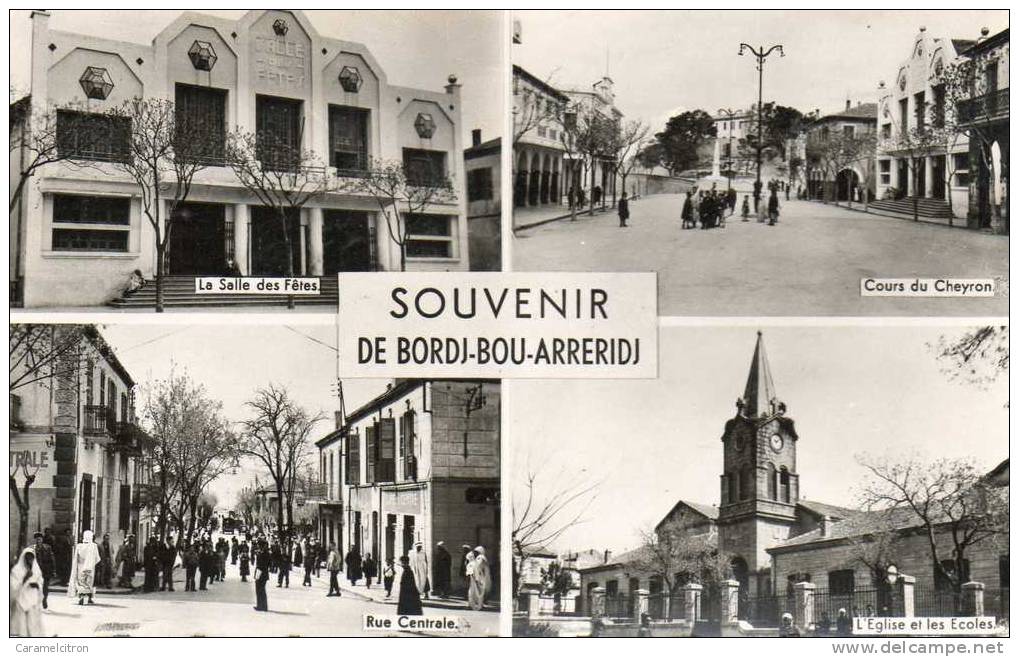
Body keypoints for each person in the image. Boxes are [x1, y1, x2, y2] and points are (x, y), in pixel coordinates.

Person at [10, 548, 45, 637]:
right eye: (27, 557)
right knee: (21, 625)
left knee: (32, 623)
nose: (29, 559)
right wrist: (25, 578)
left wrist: (37, 585)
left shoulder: (36, 570)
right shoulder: (17, 570)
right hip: (21, 598)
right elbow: (13, 585)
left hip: (32, 598)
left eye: (31, 557)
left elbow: (40, 581)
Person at [68, 530, 101, 605]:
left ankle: (82, 598)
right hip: (91, 567)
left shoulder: (79, 546)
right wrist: (92, 563)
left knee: (81, 582)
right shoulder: (93, 546)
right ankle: (88, 598)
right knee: (89, 582)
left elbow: (76, 557)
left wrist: (76, 566)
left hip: (80, 566)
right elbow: (97, 558)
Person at [32, 532, 55, 609]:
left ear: (42, 539)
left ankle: (44, 600)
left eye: (40, 539)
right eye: (37, 539)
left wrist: (53, 570)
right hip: (35, 571)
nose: (38, 541)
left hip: (46, 571)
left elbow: (52, 559)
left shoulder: (47, 547)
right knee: (35, 587)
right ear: (35, 540)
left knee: (45, 587)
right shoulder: (31, 549)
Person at [468, 546, 491, 611]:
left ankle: (478, 606)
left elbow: (478, 566)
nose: (475, 553)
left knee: (478, 591)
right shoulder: (481, 558)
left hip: (480, 577)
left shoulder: (480, 558)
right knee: (475, 591)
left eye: (476, 552)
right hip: (479, 577)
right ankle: (474, 605)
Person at [254, 541, 270, 612]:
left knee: (260, 590)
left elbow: (260, 564)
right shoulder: (265, 553)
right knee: (261, 590)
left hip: (261, 573)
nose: (258, 547)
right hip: (263, 573)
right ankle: (262, 606)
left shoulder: (264, 554)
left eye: (259, 545)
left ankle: (261, 606)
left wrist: (258, 555)